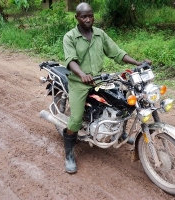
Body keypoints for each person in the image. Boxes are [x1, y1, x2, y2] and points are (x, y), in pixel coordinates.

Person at [62, 2, 152, 174]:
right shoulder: (70, 37)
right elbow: (70, 60)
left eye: (90, 15)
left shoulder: (99, 34)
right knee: (75, 119)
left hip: (99, 79)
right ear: (77, 18)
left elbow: (117, 53)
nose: (88, 19)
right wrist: (82, 75)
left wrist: (138, 63)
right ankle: (69, 155)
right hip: (79, 82)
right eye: (84, 16)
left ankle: (121, 132)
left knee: (123, 100)